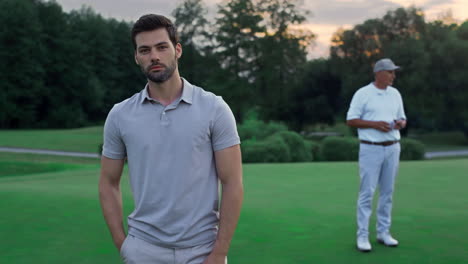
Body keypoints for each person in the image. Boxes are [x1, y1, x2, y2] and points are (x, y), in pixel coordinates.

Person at [98, 14, 243, 264]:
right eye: (145, 50)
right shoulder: (120, 115)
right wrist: (124, 245)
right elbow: (108, 183)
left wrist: (219, 252)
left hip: (202, 250)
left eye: (161, 47)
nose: (154, 56)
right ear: (137, 57)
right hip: (143, 250)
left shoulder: (214, 109)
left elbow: (232, 183)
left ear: (177, 50)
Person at [346, 58, 407, 252]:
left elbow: (402, 117)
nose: (393, 76)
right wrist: (375, 124)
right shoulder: (363, 94)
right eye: (390, 72)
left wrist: (400, 123)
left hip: (393, 146)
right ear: (379, 73)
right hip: (370, 147)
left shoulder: (395, 94)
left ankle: (383, 233)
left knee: (387, 192)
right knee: (367, 193)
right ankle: (362, 236)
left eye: (394, 72)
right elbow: (351, 120)